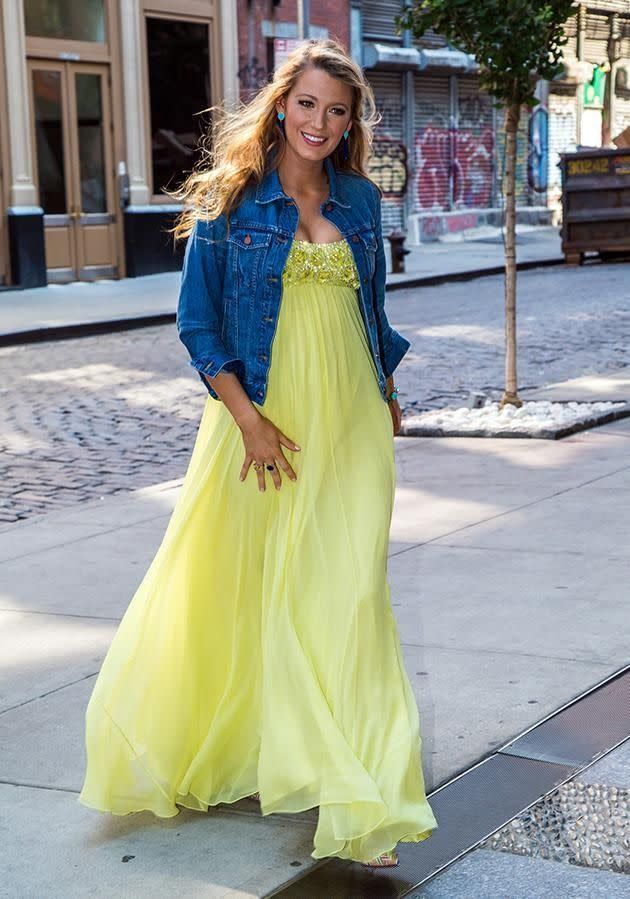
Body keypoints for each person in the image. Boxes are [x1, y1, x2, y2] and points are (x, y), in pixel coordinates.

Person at [78, 37, 438, 869]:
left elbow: (368, 306)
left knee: (349, 590)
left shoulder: (356, 199)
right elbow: (198, 324)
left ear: (351, 123)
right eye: (307, 103)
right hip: (262, 419)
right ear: (281, 104)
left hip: (349, 417)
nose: (319, 121)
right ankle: (268, 745)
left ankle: (364, 789)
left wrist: (384, 383)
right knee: (246, 588)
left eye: (337, 110)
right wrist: (248, 421)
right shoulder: (230, 199)